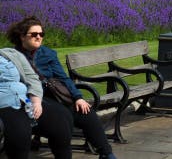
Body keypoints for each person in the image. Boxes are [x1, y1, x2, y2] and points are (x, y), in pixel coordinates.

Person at [10, 16, 117, 158]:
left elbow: (63, 77)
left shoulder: (47, 53)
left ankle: (106, 154)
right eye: (34, 34)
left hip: (56, 94)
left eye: (41, 34)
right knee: (62, 118)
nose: (38, 37)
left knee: (87, 113)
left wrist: (78, 97)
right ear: (22, 36)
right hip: (36, 100)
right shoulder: (13, 57)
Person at [0, 43, 75, 159]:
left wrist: (36, 101)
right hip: (5, 105)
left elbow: (32, 78)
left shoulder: (10, 54)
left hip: (25, 100)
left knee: (61, 118)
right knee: (20, 133)